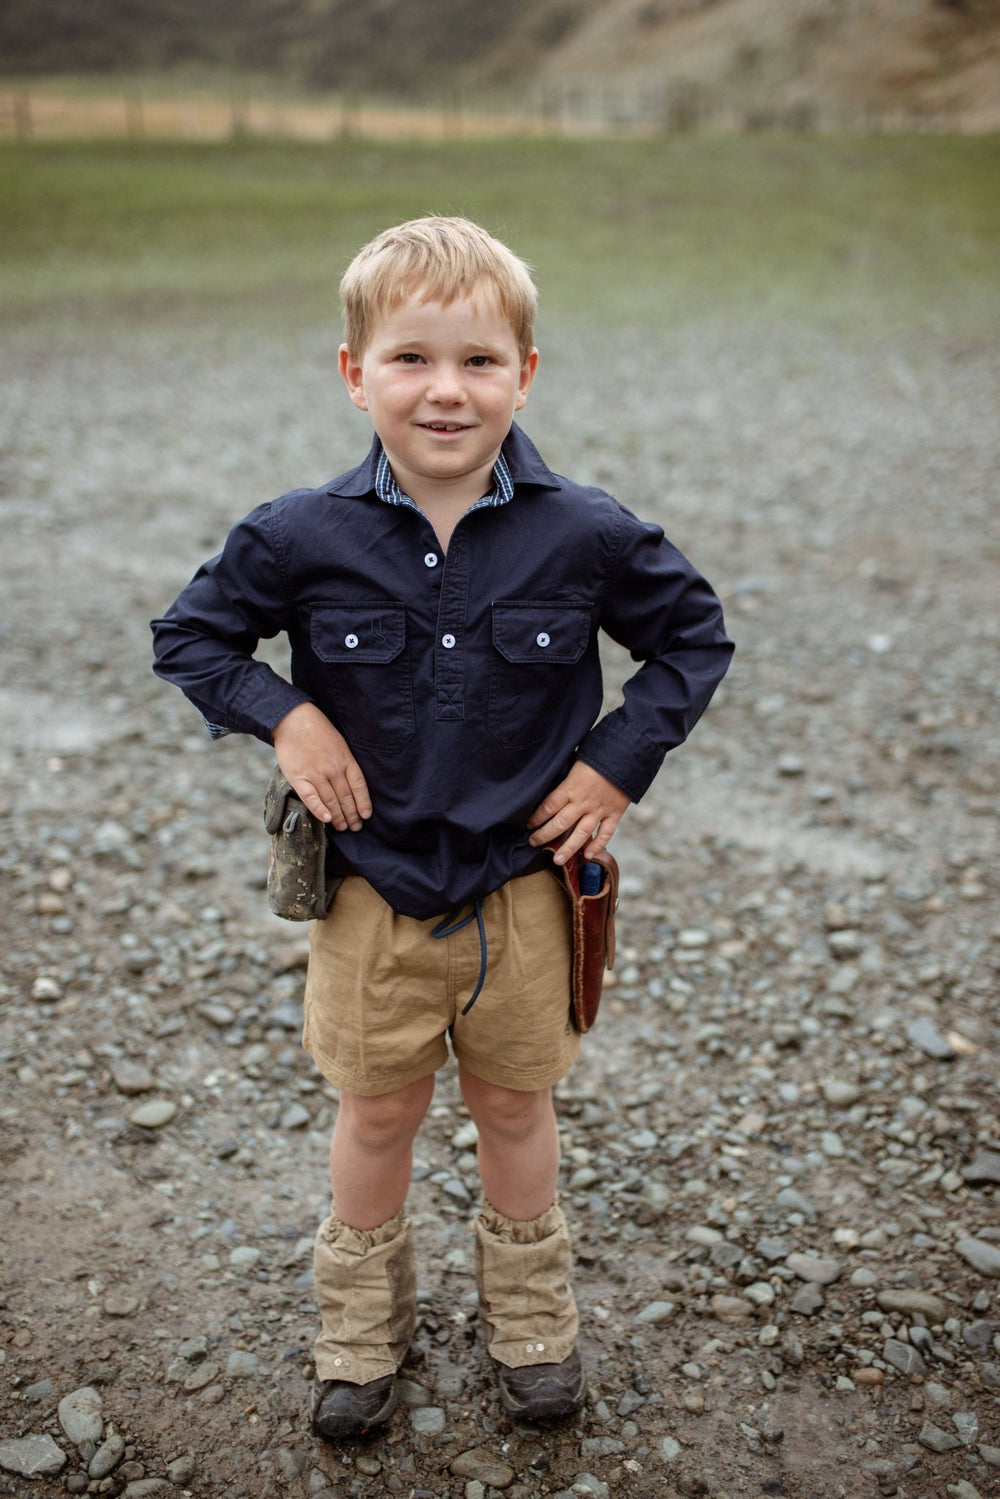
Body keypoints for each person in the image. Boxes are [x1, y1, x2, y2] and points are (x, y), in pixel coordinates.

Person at [151, 215, 733, 1441]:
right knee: (376, 1113)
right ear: (353, 371)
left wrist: (617, 765)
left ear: (526, 373)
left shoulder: (587, 530)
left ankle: (532, 1320)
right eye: (411, 357)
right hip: (372, 895)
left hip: (526, 890)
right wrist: (287, 715)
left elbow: (692, 639)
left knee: (517, 1107)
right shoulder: (295, 533)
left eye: (478, 360)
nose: (446, 389)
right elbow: (191, 636)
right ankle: (360, 1330)